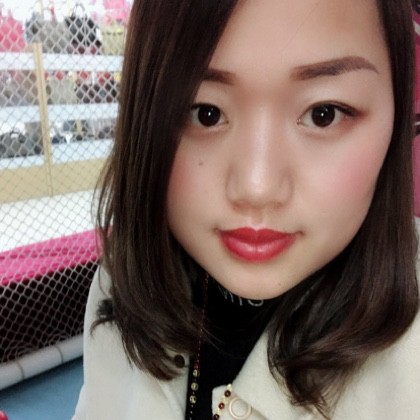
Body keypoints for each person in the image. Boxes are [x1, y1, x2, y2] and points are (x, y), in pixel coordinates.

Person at [73, 0, 420, 419]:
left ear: (396, 116)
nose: (257, 188)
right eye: (206, 114)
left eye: (323, 114)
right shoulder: (119, 287)